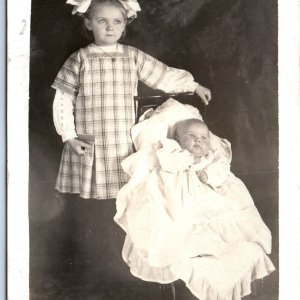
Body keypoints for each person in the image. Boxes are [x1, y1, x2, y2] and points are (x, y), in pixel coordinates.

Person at [52, 0, 212, 200]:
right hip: (90, 138)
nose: (110, 27)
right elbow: (63, 100)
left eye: (117, 21)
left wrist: (194, 86)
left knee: (127, 196)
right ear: (89, 23)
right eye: (102, 21)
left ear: (125, 24)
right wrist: (69, 136)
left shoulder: (132, 56)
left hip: (122, 141)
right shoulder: (79, 59)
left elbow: (163, 76)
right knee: (92, 202)